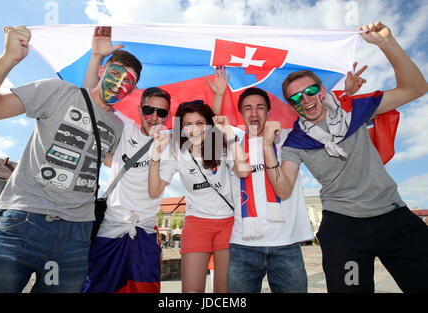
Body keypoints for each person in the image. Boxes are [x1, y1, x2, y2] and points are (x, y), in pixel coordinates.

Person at [0, 26, 142, 292]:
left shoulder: (117, 126)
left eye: (128, 82)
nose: (120, 84)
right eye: (116, 74)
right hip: (23, 220)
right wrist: (8, 58)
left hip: (76, 235)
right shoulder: (56, 91)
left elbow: (107, 150)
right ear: (102, 71)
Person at [274, 21, 428, 293]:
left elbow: (416, 88)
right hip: (344, 229)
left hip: (394, 215)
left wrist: (386, 43)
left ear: (321, 91)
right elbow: (284, 189)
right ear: (291, 106)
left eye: (310, 92)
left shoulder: (356, 109)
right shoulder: (295, 142)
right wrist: (265, 146)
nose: (305, 100)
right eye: (296, 98)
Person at [209, 64, 367, 293]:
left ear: (269, 112)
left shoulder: (289, 137)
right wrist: (218, 96)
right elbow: (215, 131)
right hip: (244, 246)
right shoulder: (233, 141)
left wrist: (347, 93)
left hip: (286, 244)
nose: (254, 113)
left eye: (260, 108)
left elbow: (321, 113)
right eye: (248, 108)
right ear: (241, 113)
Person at [80, 27, 172, 293]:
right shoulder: (123, 127)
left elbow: (204, 127)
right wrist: (96, 57)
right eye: (148, 110)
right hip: (111, 228)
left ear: (167, 115)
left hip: (144, 232)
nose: (154, 117)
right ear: (140, 108)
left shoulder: (170, 145)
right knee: (98, 288)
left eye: (161, 112)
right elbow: (91, 103)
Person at [148, 100, 250, 293]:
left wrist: (229, 134)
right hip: (197, 223)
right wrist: (155, 155)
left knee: (224, 291)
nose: (194, 129)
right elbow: (154, 191)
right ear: (181, 128)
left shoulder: (221, 146)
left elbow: (243, 172)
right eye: (188, 124)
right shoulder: (177, 152)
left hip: (228, 223)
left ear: (209, 126)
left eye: (200, 123)